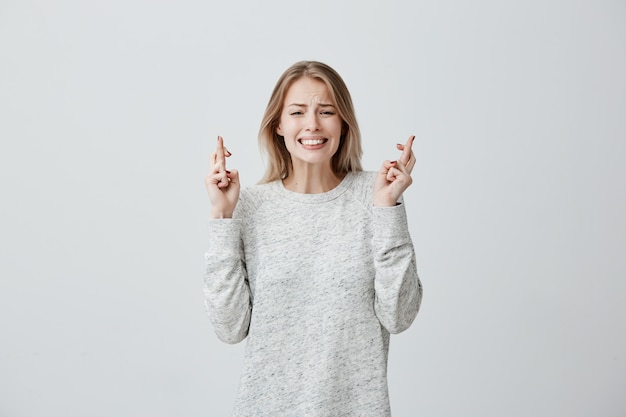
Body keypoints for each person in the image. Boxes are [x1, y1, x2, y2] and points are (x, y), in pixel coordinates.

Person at [204, 60, 422, 416]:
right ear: (278, 124)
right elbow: (230, 328)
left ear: (343, 123)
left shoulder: (376, 195)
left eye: (326, 111)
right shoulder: (249, 206)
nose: (312, 125)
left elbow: (399, 315)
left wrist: (387, 210)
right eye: (297, 112)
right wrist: (222, 218)